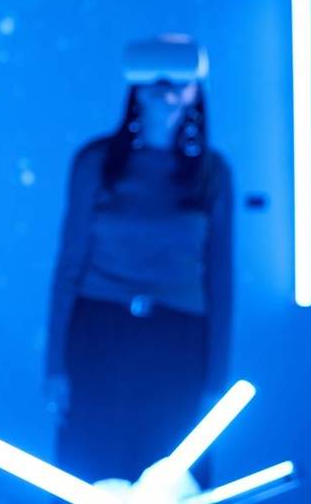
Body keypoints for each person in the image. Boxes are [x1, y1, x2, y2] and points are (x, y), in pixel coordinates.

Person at [44, 35, 233, 486]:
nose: (166, 89)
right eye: (155, 79)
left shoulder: (212, 172)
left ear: (196, 91)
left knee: (174, 476)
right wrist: (55, 365)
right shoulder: (95, 163)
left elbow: (221, 279)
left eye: (180, 81)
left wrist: (214, 380)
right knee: (90, 469)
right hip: (100, 334)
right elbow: (69, 265)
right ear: (135, 87)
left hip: (178, 341)